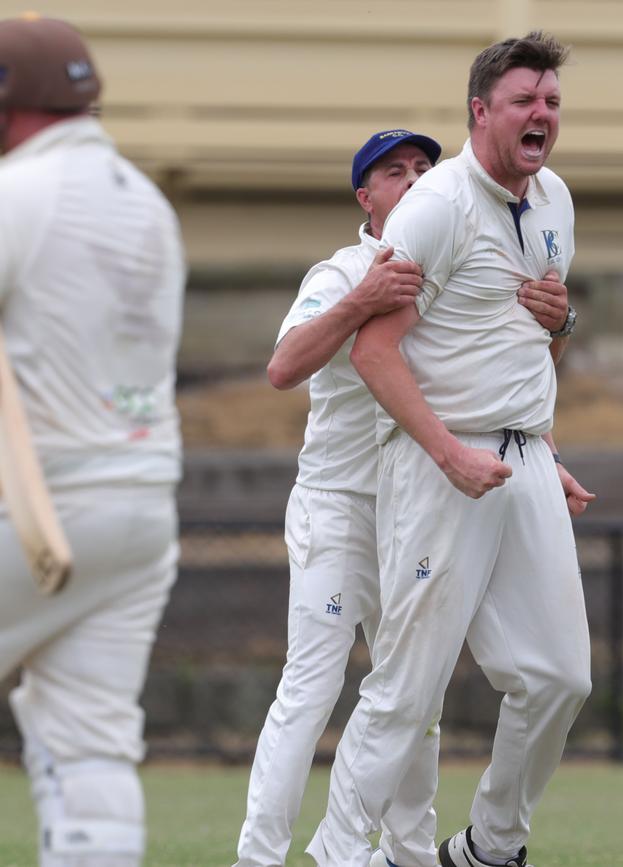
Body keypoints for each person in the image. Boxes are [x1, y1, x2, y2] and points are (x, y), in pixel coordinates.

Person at [235, 122, 583, 866]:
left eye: (424, 165)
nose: (416, 178)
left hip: (420, 494)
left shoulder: (449, 252)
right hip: (340, 503)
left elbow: (498, 376)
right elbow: (283, 366)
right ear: (365, 197)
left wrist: (542, 451)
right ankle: (260, 857)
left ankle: (412, 851)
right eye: (394, 171)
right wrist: (361, 301)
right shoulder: (343, 272)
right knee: (313, 687)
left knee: (414, 691)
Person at [307, 32, 594, 867]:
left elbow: (531, 343)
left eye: (551, 102)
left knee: (558, 678)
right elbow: (372, 352)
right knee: (410, 684)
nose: (541, 115)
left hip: (525, 459)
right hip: (443, 465)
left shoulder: (556, 202)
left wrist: (561, 343)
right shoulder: (437, 203)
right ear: (481, 111)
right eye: (523, 102)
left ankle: (489, 847)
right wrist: (449, 454)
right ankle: (333, 854)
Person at [0, 15, 185, 867]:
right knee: (90, 742)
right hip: (141, 508)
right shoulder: (146, 202)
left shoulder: (20, 196)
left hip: (38, 505)